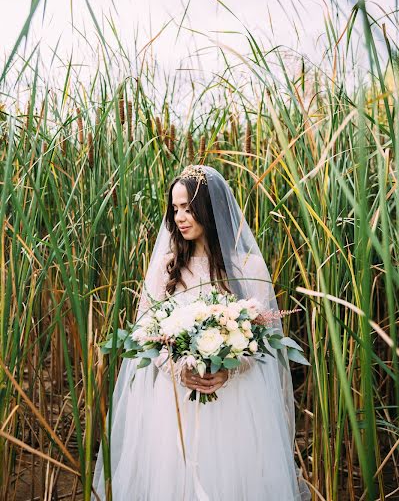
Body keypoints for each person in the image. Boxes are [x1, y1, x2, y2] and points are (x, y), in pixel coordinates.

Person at [92, 164, 311, 501]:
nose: (180, 217)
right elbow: (145, 333)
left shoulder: (249, 267)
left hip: (236, 398)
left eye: (188, 208)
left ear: (208, 210)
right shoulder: (166, 266)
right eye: (175, 209)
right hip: (175, 401)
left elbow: (263, 335)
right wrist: (178, 368)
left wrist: (231, 368)